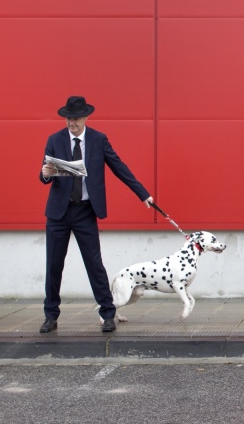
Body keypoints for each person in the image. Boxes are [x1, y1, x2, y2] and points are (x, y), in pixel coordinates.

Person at [38, 96, 153, 333]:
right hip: (58, 213)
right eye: (68, 119)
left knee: (94, 264)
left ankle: (107, 314)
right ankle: (51, 316)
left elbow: (118, 166)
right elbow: (44, 175)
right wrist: (45, 173)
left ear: (86, 117)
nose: (72, 123)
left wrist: (142, 194)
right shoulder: (54, 140)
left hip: (85, 211)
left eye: (76, 119)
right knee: (53, 266)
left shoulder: (98, 140)